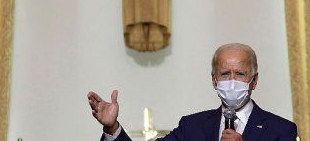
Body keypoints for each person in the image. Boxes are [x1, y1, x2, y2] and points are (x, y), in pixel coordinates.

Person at [87, 43, 298, 140]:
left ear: (254, 80)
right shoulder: (192, 127)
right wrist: (112, 128)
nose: (232, 82)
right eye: (225, 74)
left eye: (240, 74)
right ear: (214, 81)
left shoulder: (281, 131)